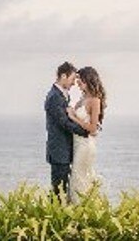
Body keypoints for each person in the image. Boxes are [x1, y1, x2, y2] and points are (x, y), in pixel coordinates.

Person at [44, 61, 90, 198]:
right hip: (59, 152)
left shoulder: (62, 95)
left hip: (65, 151)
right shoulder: (54, 97)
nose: (74, 83)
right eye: (72, 79)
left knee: (63, 190)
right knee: (59, 191)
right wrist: (84, 131)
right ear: (63, 76)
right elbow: (63, 122)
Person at [65, 65, 106, 203]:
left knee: (78, 179)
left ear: (88, 80)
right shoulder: (82, 99)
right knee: (77, 178)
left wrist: (73, 117)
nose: (77, 84)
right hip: (77, 144)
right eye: (77, 81)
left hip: (85, 146)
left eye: (80, 81)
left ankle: (80, 213)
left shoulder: (95, 100)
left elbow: (93, 128)